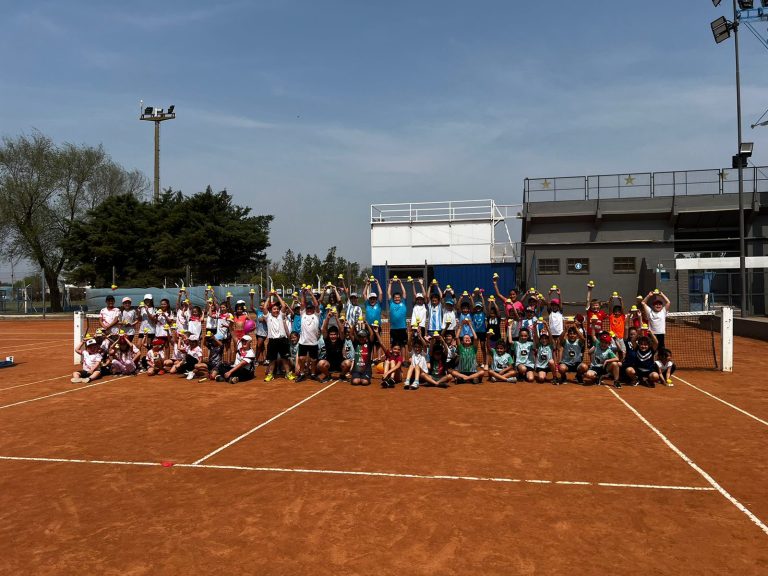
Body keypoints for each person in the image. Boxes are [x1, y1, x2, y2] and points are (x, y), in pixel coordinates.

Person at [317, 310, 351, 383]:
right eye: (331, 334)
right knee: (320, 364)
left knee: (348, 363)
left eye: (335, 334)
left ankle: (342, 376)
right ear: (329, 335)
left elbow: (341, 330)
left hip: (340, 364)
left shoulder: (340, 340)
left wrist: (336, 318)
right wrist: (328, 318)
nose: (333, 336)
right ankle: (328, 375)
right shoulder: (327, 340)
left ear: (337, 335)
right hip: (329, 364)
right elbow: (323, 329)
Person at [296, 289, 321, 382]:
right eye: (308, 308)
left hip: (313, 342)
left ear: (313, 309)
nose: (309, 310)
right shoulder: (303, 314)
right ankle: (302, 374)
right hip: (303, 342)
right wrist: (302, 293)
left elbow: (317, 304)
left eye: (311, 308)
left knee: (314, 360)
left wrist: (310, 293)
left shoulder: (316, 315)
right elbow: (302, 304)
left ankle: (313, 374)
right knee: (302, 358)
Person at [450, 319, 485, 384]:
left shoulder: (473, 348)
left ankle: (465, 379)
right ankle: (471, 379)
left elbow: (475, 338)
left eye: (468, 338)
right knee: (453, 372)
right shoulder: (461, 348)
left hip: (473, 372)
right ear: (462, 341)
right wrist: (461, 325)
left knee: (482, 372)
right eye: (465, 338)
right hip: (462, 372)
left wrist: (470, 325)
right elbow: (457, 337)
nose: (467, 339)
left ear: (470, 341)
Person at [388, 277, 409, 356]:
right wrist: (390, 284)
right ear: (393, 299)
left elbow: (404, 292)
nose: (397, 298)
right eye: (395, 297)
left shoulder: (403, 302)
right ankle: (394, 358)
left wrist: (400, 283)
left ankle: (403, 360)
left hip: (402, 328)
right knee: (393, 345)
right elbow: (388, 293)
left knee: (403, 345)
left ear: (401, 298)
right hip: (393, 328)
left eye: (398, 297)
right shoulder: (391, 303)